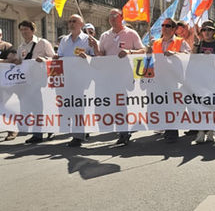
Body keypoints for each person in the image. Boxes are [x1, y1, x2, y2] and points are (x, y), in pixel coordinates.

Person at [96, 8, 145, 145]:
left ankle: (124, 132)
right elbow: (101, 55)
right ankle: (123, 130)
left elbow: (143, 50)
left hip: (127, 75)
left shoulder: (131, 33)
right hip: (110, 76)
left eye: (115, 16)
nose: (112, 18)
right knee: (115, 105)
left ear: (121, 17)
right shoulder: (105, 35)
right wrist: (95, 48)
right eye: (110, 16)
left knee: (123, 103)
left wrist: (129, 52)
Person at [57, 14, 98, 147]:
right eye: (69, 21)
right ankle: (81, 130)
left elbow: (96, 58)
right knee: (71, 107)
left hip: (83, 78)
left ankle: (78, 136)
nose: (71, 23)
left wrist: (87, 56)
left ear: (81, 24)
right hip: (68, 78)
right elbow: (60, 57)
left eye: (74, 21)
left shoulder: (88, 40)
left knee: (79, 107)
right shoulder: (64, 40)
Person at [150, 18, 191, 143]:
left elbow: (188, 56)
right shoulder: (156, 43)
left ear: (173, 29)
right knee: (162, 105)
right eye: (163, 25)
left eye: (167, 26)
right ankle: (168, 129)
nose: (164, 28)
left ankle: (172, 131)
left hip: (175, 78)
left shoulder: (180, 42)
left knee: (173, 105)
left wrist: (175, 54)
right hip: (159, 78)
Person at [16, 20, 56, 144]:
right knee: (34, 108)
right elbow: (19, 62)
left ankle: (46, 129)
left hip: (43, 81)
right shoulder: (21, 47)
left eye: (26, 29)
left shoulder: (42, 43)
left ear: (32, 30)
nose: (23, 32)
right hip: (29, 82)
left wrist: (44, 59)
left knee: (43, 107)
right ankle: (37, 133)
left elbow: (54, 58)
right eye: (21, 30)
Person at [192, 20, 215, 144]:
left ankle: (211, 130)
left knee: (212, 106)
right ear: (201, 33)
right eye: (204, 30)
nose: (207, 32)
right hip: (200, 79)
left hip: (214, 79)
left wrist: (213, 56)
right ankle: (200, 132)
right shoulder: (198, 44)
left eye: (209, 30)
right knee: (200, 106)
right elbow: (192, 58)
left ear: (214, 32)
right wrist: (195, 46)